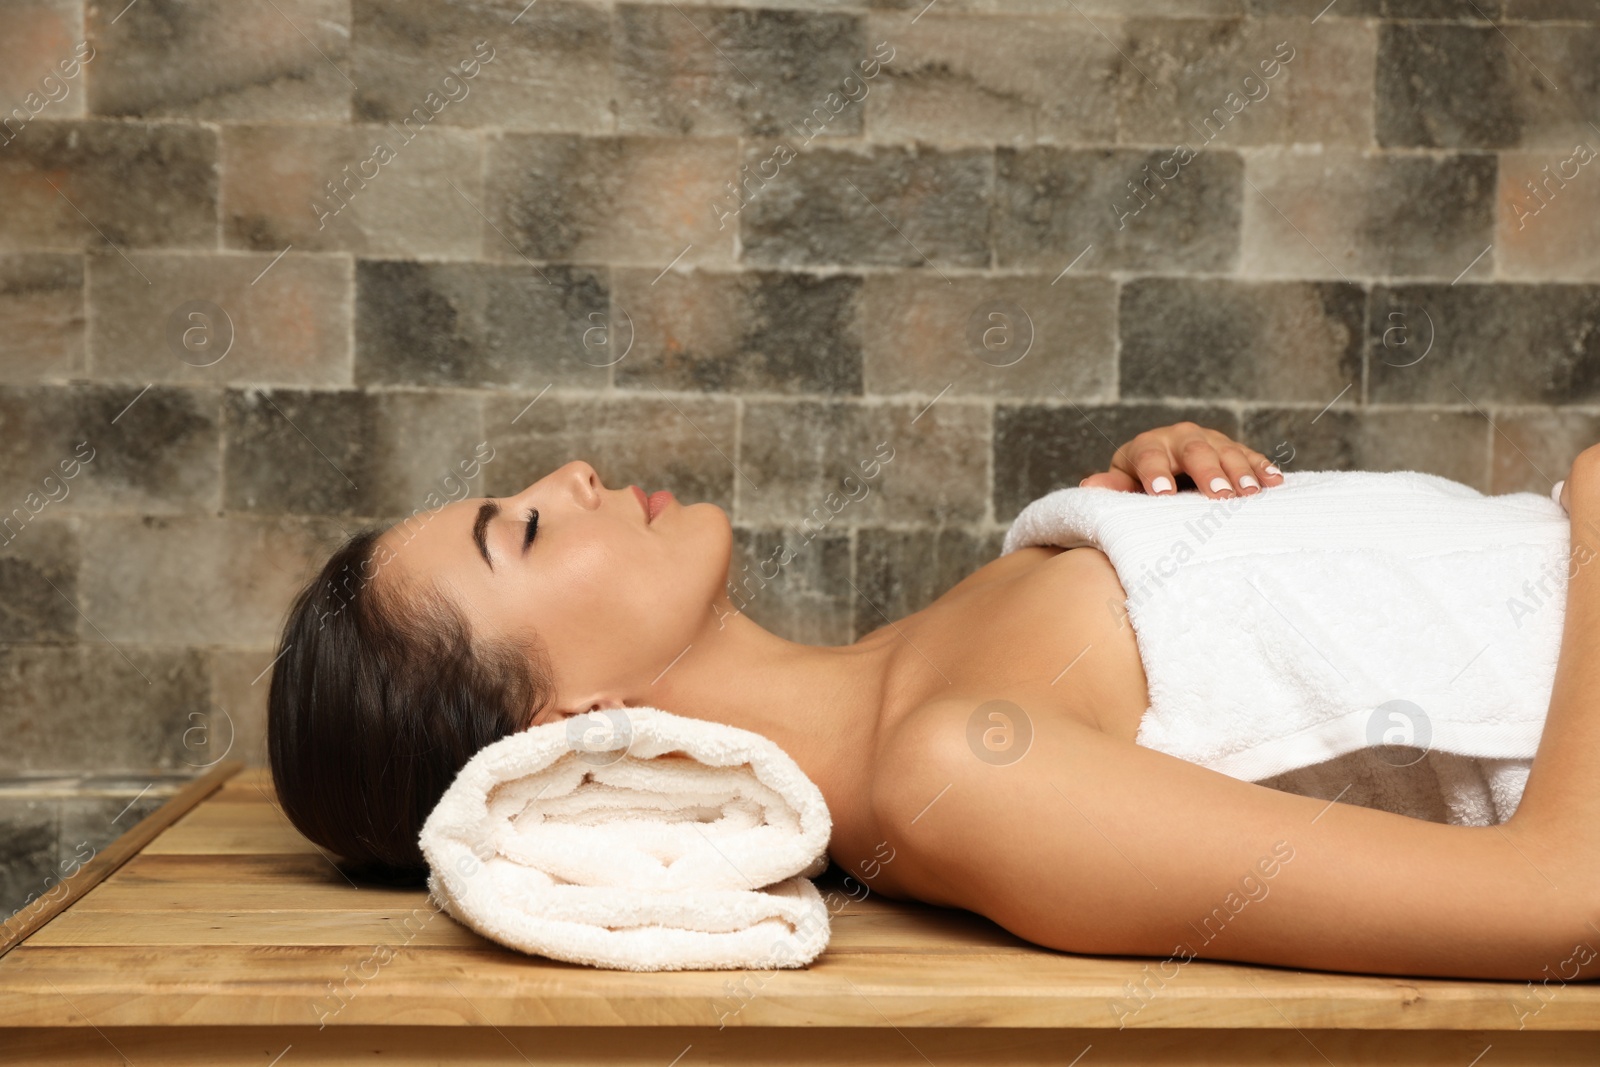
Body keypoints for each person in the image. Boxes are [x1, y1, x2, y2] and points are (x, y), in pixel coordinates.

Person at [267, 421, 1597, 982]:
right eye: (528, 532)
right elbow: (1560, 908)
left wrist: (1192, 517)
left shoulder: (925, 666)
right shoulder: (961, 781)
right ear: (563, 723)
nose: (572, 471)